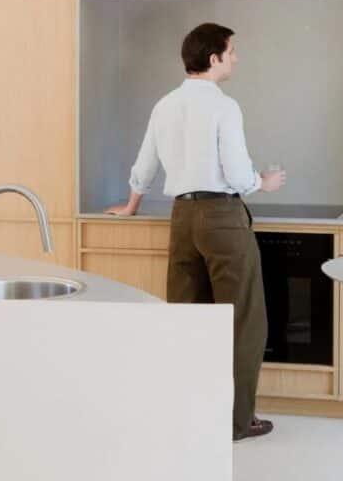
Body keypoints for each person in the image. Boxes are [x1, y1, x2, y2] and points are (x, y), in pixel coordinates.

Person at [105, 22, 285, 440]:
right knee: (242, 322)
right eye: (231, 51)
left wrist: (131, 206)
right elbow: (238, 175)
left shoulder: (165, 105)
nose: (236, 58)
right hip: (221, 217)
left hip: (181, 219)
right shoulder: (225, 106)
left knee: (188, 322)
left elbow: (145, 162)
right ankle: (237, 422)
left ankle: (191, 419)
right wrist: (264, 181)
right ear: (213, 59)